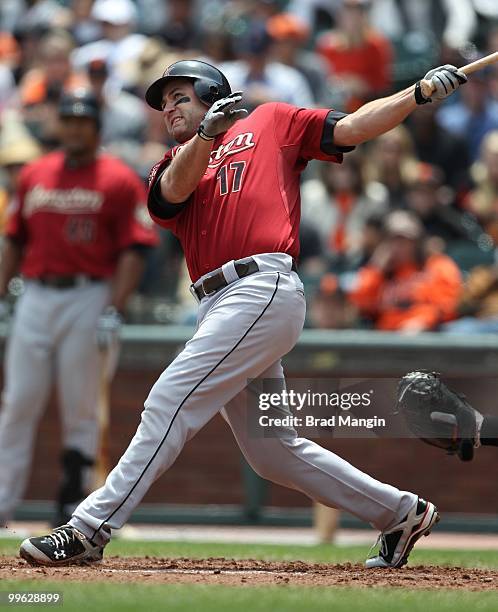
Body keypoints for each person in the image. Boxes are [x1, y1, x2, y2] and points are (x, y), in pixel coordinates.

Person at [20, 57, 467, 569]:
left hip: (261, 286)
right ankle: (400, 512)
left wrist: (418, 93)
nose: (168, 107)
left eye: (179, 96)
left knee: (169, 399)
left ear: (212, 90)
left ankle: (89, 527)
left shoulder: (271, 120)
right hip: (217, 301)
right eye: (163, 102)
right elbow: (170, 196)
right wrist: (206, 136)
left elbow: (351, 128)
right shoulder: (173, 161)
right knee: (271, 449)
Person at [0, 89, 157, 528]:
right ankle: (1, 502)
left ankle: (74, 505)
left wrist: (115, 307)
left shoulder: (118, 178)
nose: (73, 128)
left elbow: (134, 248)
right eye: (67, 120)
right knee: (17, 403)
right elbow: (14, 238)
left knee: (82, 406)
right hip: (35, 293)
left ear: (96, 126)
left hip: (90, 294)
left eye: (81, 121)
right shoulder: (35, 174)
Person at [349, 210, 462, 332]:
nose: (398, 246)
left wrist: (423, 320)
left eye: (405, 241)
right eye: (393, 241)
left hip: (428, 337)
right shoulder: (380, 273)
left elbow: (449, 307)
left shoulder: (438, 266)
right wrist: (376, 269)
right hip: (386, 338)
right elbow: (357, 305)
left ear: (418, 242)